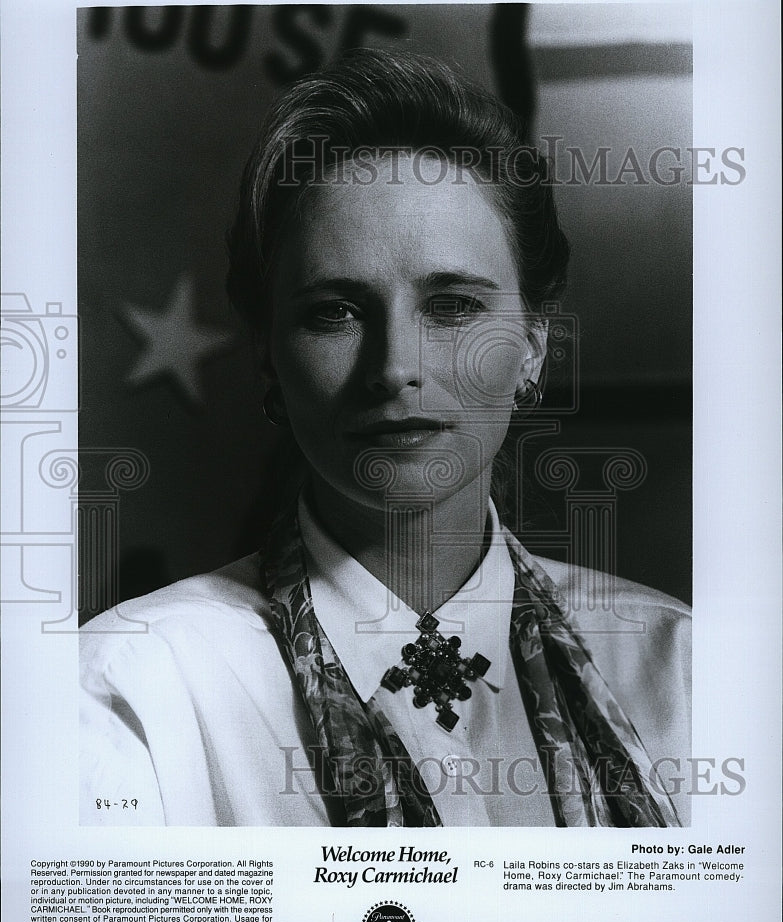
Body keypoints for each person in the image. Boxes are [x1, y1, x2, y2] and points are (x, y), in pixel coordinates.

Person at [80, 49, 690, 827]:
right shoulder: (134, 683)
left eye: (453, 306)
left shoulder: (682, 669)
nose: (394, 368)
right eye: (333, 311)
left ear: (534, 342)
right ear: (269, 351)